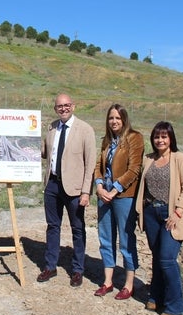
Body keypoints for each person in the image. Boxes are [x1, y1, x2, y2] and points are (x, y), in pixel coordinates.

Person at [135, 121, 183, 315]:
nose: (160, 140)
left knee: (167, 259)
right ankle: (155, 296)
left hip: (172, 216)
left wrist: (178, 212)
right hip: (151, 212)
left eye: (164, 136)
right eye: (156, 137)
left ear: (171, 138)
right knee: (156, 256)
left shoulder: (181, 159)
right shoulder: (148, 159)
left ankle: (175, 305)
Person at [37, 93, 97, 287]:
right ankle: (50, 266)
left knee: (77, 229)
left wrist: (86, 191)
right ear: (55, 109)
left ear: (73, 106)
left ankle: (78, 269)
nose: (63, 109)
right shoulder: (52, 127)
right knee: (52, 227)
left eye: (66, 105)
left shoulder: (85, 130)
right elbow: (45, 153)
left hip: (75, 188)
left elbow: (90, 163)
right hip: (53, 184)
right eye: (59, 106)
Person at [93, 104, 144, 299]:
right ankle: (107, 281)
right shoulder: (107, 140)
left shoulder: (134, 138)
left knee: (125, 239)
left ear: (124, 119)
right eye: (111, 118)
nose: (114, 121)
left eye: (117, 118)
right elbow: (99, 165)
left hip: (123, 196)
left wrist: (114, 190)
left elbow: (134, 169)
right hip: (103, 195)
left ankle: (128, 284)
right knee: (105, 238)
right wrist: (99, 187)